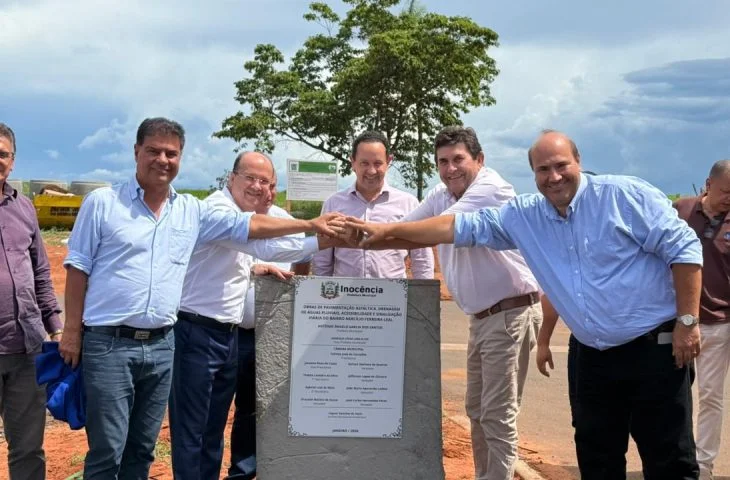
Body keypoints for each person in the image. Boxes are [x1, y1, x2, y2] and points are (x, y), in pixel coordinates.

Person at [343, 130, 703, 480]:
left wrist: (688, 322)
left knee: (667, 459)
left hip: (653, 350)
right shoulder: (526, 216)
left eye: (561, 165)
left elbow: (685, 250)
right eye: (543, 169)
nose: (554, 177)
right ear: (533, 174)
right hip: (591, 356)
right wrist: (379, 235)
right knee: (597, 458)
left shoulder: (622, 196)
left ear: (578, 161)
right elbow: (456, 227)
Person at [59, 117, 341, 479]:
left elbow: (255, 239)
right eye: (154, 151)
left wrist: (319, 240)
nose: (163, 160)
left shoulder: (188, 210)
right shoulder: (104, 202)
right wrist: (72, 331)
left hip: (169, 342)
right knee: (112, 448)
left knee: (150, 446)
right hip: (126, 341)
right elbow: (78, 266)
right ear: (136, 151)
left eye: (171, 153)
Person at [345, 126, 542, 480]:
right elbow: (406, 230)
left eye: (458, 160)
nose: (450, 169)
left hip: (510, 313)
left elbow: (440, 228)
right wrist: (350, 237)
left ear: (479, 160)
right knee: (477, 410)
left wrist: (379, 233)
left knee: (497, 414)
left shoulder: (490, 189)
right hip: (482, 317)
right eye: (442, 162)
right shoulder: (442, 194)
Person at [170, 151, 327, 480]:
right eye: (250, 178)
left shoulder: (245, 214)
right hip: (196, 332)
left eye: (264, 181)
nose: (257, 186)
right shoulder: (216, 209)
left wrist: (321, 240)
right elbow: (258, 239)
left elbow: (266, 251)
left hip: (225, 335)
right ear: (232, 178)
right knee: (193, 429)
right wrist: (313, 227)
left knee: (212, 428)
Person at [227, 158, 311, 480]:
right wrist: (254, 268)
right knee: (217, 408)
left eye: (271, 184)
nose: (266, 191)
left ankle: (246, 470)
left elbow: (305, 254)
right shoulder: (230, 217)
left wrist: (296, 288)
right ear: (235, 180)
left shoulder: (285, 222)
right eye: (257, 182)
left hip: (271, 333)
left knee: (258, 407)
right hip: (230, 332)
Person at [0, 122, 63, 480]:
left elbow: (40, 272)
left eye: (3, 153)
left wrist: (56, 327)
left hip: (27, 348)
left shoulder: (24, 208)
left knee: (27, 448)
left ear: (12, 161)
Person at [312, 130, 433, 279]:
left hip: (393, 291)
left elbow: (422, 259)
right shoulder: (334, 204)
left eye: (377, 163)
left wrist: (424, 291)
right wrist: (322, 290)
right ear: (353, 162)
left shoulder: (408, 204)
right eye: (364, 163)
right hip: (344, 292)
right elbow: (322, 259)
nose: (371, 171)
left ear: (388, 161)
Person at [674, 160, 730, 480]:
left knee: (710, 396)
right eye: (726, 192)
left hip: (722, 321)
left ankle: (704, 464)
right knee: (677, 393)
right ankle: (679, 458)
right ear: (709, 184)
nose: (729, 199)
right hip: (684, 321)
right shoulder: (681, 211)